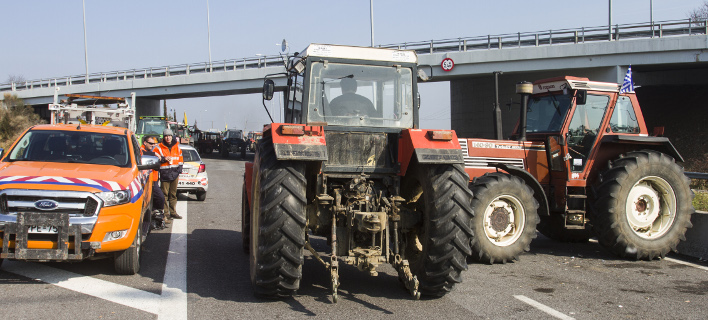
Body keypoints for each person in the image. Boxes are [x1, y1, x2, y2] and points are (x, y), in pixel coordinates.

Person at [157, 128, 183, 222]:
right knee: (164, 195)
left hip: (174, 174)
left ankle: (173, 212)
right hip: (164, 174)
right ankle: (166, 213)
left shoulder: (177, 146)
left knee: (173, 194)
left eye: (169, 136)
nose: (168, 138)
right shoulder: (159, 147)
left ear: (172, 136)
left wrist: (179, 171)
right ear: (164, 137)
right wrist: (164, 159)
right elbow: (156, 159)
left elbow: (180, 159)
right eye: (166, 136)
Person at [141, 135, 167, 228]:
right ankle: (155, 215)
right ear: (145, 143)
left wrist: (163, 158)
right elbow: (141, 154)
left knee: (157, 199)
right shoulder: (142, 151)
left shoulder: (150, 151)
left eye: (154, 144)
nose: (153, 145)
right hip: (147, 181)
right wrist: (153, 155)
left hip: (154, 180)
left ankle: (156, 216)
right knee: (159, 198)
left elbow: (159, 160)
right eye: (151, 144)